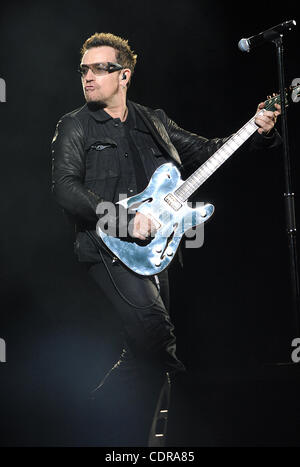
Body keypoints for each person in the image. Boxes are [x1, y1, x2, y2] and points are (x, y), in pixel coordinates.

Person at [51, 32, 281, 446]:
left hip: (156, 254)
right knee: (159, 337)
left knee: (145, 360)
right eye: (83, 69)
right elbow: (65, 188)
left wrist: (257, 129)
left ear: (124, 75)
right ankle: (84, 428)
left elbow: (210, 150)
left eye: (98, 68)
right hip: (106, 246)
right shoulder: (75, 125)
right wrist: (122, 218)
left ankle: (96, 433)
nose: (87, 76)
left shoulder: (153, 120)